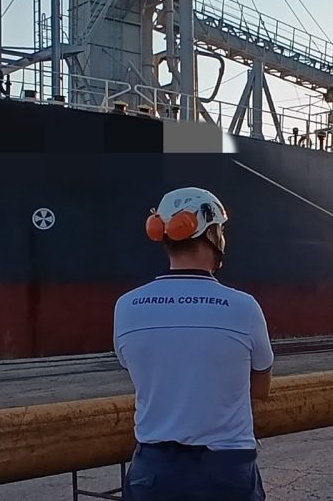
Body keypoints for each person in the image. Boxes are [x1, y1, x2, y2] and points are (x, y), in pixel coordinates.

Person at [114, 187, 273, 501]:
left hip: (154, 470)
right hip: (226, 469)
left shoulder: (126, 306)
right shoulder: (244, 307)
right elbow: (261, 389)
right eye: (220, 231)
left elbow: (138, 369)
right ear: (211, 234)